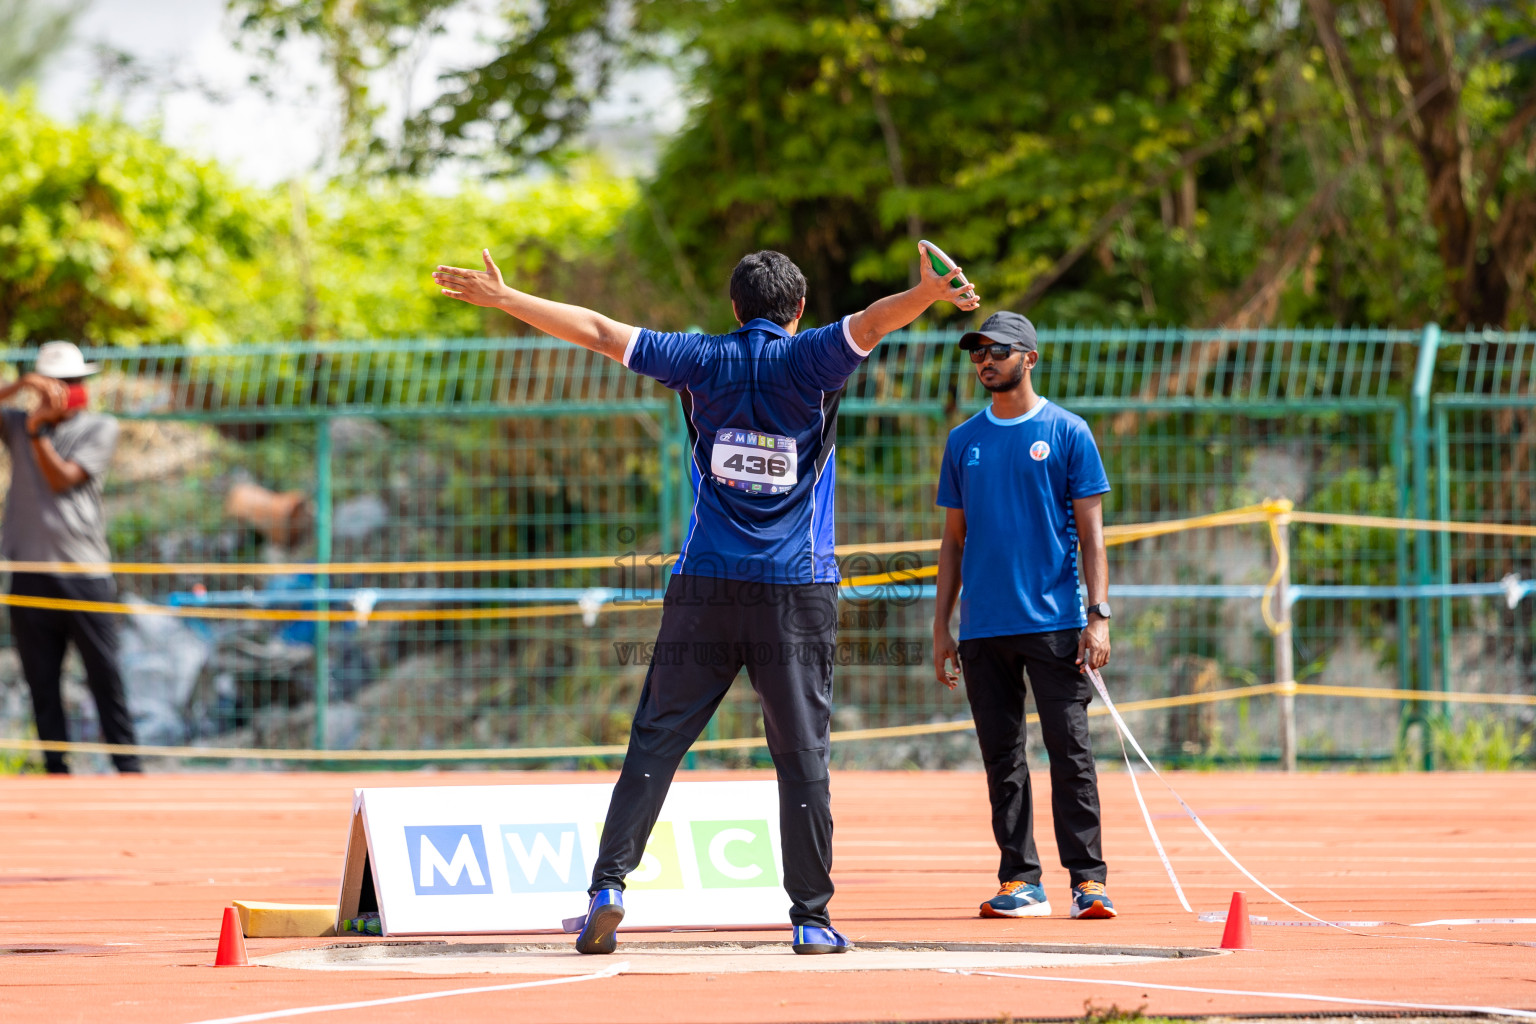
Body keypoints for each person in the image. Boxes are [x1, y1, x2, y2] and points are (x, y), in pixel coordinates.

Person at [434, 244, 979, 954]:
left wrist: (507, 300)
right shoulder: (809, 359)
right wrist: (926, 293)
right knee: (801, 754)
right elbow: (873, 324)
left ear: (734, 308)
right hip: (796, 590)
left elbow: (599, 332)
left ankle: (609, 885)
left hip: (706, 586)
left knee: (657, 738)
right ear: (799, 310)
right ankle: (811, 919)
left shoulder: (700, 359)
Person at [930, 311, 1115, 920]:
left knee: (1071, 751)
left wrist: (1099, 615)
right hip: (983, 628)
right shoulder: (963, 441)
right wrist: (942, 626)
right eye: (977, 352)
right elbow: (953, 541)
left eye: (997, 351)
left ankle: (1088, 880)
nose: (985, 360)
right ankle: (1020, 880)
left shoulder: (1068, 432)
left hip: (1058, 623)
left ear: (1028, 357)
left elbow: (1092, 536)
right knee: (1002, 757)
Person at [0, 341, 140, 775]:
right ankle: (56, 771)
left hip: (83, 573)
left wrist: (39, 432)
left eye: (74, 383)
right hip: (29, 571)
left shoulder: (101, 427)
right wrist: (19, 385)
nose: (67, 391)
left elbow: (63, 479)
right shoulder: (17, 423)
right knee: (41, 680)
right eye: (57, 384)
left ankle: (128, 769)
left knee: (105, 675)